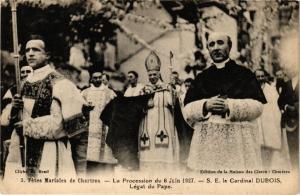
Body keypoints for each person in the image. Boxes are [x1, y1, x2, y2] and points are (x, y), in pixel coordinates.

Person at [2, 35, 89, 181]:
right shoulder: (21, 84)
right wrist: (14, 110)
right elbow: (7, 122)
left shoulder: (60, 84)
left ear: (47, 55)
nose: (30, 53)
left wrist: (27, 127)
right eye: (27, 50)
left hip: (49, 151)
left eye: (36, 50)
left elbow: (60, 125)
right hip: (21, 150)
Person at [184, 32, 267, 170]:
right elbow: (187, 110)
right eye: (211, 44)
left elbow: (258, 107)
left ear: (230, 46)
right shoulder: (201, 78)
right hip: (208, 147)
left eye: (220, 43)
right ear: (208, 49)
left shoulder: (244, 74)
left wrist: (230, 106)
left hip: (238, 146)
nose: (216, 47)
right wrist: (205, 105)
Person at [138, 51, 180, 173]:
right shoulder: (143, 90)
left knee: (163, 153)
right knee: (149, 150)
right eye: (150, 75)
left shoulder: (166, 88)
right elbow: (138, 107)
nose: (152, 77)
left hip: (165, 124)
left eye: (154, 74)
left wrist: (173, 92)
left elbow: (171, 104)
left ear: (159, 74)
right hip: (148, 125)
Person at [81, 72, 117, 175]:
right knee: (89, 159)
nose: (97, 80)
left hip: (104, 128)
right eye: (95, 78)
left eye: (99, 78)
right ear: (91, 79)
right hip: (89, 128)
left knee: (104, 159)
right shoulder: (85, 93)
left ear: (102, 79)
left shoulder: (109, 93)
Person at [255, 69, 290, 169]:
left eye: (262, 76)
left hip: (268, 120)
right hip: (256, 121)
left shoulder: (271, 90)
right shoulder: (250, 89)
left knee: (268, 149)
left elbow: (275, 108)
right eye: (258, 76)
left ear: (265, 77)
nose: (260, 78)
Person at [278, 31, 298, 168]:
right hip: (292, 123)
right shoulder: (286, 83)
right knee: (293, 150)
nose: (289, 69)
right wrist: (286, 107)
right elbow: (280, 100)